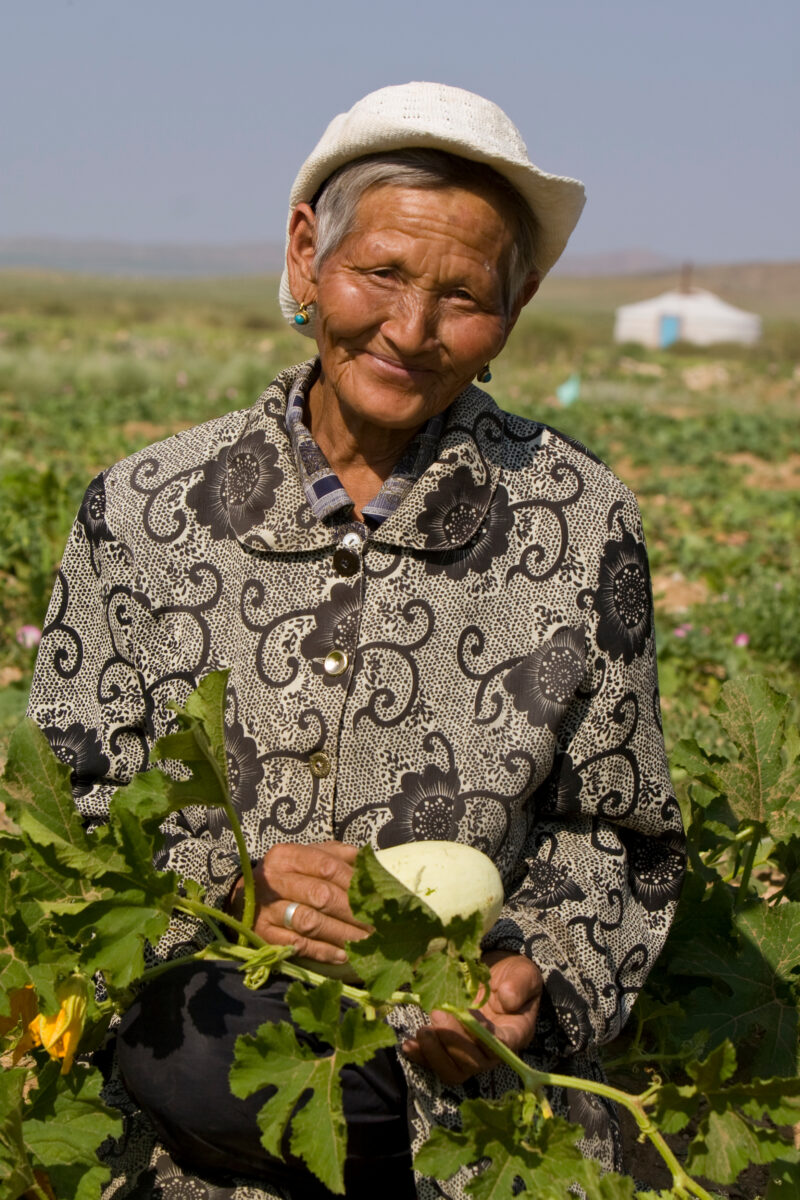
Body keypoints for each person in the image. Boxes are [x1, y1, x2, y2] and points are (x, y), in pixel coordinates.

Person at [27, 82, 685, 1199]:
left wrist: (536, 976)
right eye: (379, 273)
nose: (411, 330)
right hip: (203, 1100)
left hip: (467, 1117)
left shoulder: (577, 522)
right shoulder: (144, 511)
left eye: (463, 296)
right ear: (302, 257)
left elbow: (616, 832)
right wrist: (227, 891)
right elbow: (69, 806)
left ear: (515, 309)